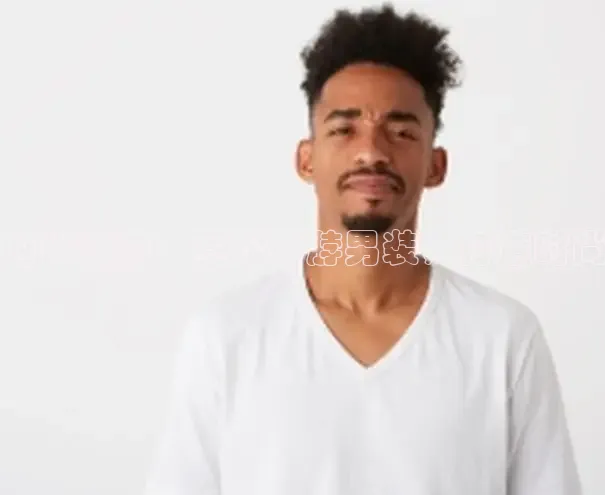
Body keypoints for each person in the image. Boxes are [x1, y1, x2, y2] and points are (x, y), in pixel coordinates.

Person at [143, 4, 581, 495]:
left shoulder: (502, 338)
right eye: (343, 129)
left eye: (401, 132)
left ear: (435, 165)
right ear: (306, 160)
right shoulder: (228, 336)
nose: (371, 151)